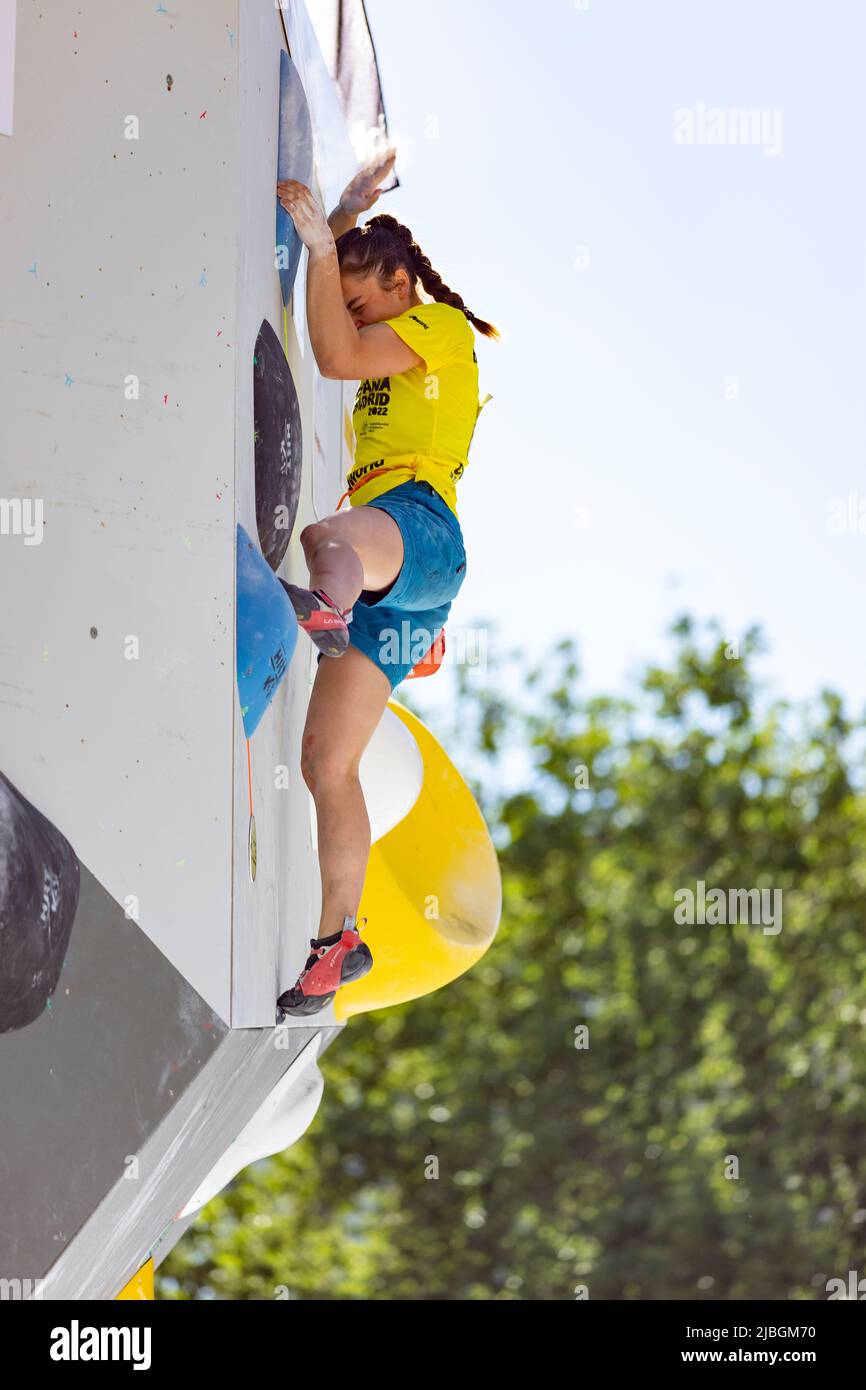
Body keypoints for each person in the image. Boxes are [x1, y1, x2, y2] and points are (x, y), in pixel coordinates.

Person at [275, 150, 498, 1016]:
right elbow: (332, 314)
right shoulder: (393, 330)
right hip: (401, 588)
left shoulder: (438, 327)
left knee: (328, 540)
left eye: (370, 304)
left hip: (420, 531)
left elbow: (332, 352)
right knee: (327, 764)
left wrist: (327, 244)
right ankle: (338, 944)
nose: (359, 322)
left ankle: (328, 610)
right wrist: (334, 221)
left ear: (404, 283)